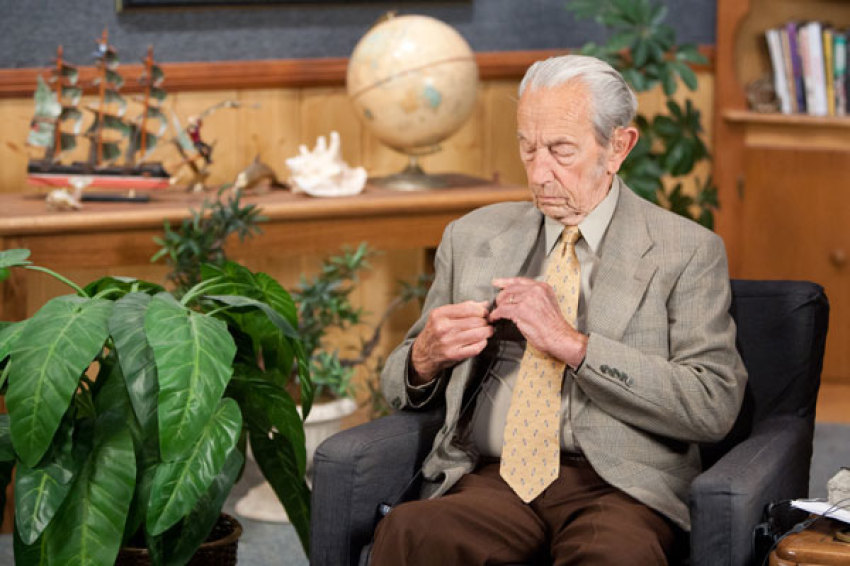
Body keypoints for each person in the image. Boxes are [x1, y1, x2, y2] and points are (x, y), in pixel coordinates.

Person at [370, 54, 748, 565]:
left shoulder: (687, 251)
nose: (540, 172)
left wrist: (574, 346)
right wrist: (424, 359)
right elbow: (395, 384)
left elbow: (713, 403)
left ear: (618, 146)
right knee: (412, 533)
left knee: (615, 557)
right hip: (492, 478)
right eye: (527, 149)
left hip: (618, 487)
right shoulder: (472, 237)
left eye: (560, 150)